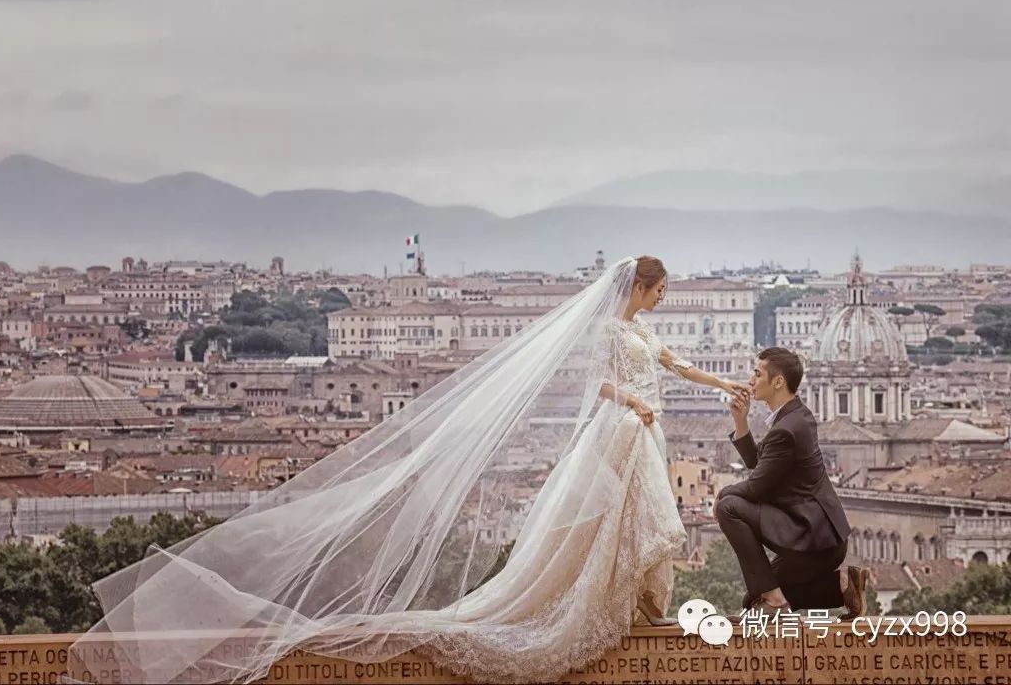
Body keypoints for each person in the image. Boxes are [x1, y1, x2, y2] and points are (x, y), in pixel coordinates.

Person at [68, 256, 749, 685]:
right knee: (621, 517)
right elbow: (596, 385)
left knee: (644, 517)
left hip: (645, 430)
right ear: (645, 288)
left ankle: (638, 605)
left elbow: (676, 366)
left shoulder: (646, 332)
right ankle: (624, 605)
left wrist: (723, 391)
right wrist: (629, 398)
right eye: (662, 291)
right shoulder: (605, 333)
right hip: (624, 427)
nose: (665, 300)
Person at [714, 347, 869, 617]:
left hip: (811, 539)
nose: (751, 379)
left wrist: (721, 494)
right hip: (823, 538)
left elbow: (755, 487)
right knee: (751, 600)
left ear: (778, 382)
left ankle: (774, 601)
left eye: (757, 373)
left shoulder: (786, 428)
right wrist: (740, 421)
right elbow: (759, 465)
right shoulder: (797, 416)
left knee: (728, 506)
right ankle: (843, 587)